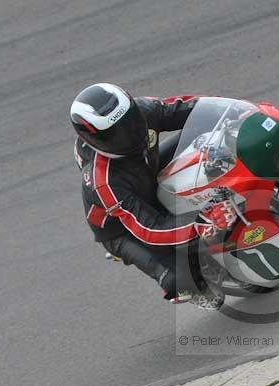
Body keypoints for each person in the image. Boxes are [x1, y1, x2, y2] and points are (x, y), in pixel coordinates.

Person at [70, 83, 237, 309]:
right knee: (179, 280)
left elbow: (194, 109)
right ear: (96, 140)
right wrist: (201, 222)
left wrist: (241, 113)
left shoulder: (143, 109)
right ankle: (188, 283)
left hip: (147, 171)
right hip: (122, 228)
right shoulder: (103, 181)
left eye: (129, 121)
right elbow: (150, 229)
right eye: (116, 133)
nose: (129, 132)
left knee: (210, 133)